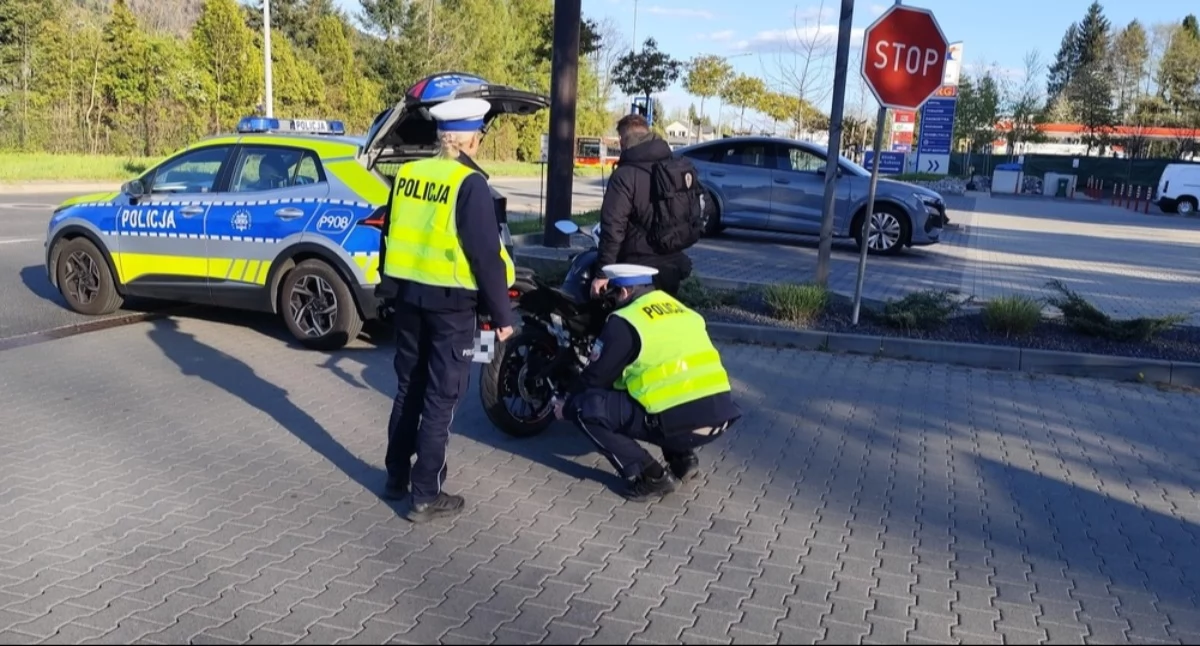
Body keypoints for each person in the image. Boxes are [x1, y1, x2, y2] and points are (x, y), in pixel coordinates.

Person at [376, 97, 516, 523]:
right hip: (452, 307)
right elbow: (485, 256)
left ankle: (396, 477)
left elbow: (389, 235)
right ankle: (425, 494)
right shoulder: (469, 184)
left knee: (408, 388)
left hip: (409, 299)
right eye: (480, 137)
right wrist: (502, 317)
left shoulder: (408, 174)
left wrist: (390, 288)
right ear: (469, 141)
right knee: (440, 398)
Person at [557, 264, 741, 501]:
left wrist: (567, 404)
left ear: (624, 292)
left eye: (612, 295)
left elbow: (596, 378)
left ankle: (652, 476)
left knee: (584, 409)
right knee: (665, 396)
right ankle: (683, 460)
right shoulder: (680, 309)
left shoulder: (626, 320)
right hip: (719, 415)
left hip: (680, 423)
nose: (610, 302)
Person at [590, 114, 699, 299]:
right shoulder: (674, 168)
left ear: (622, 140)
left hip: (636, 270)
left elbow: (613, 228)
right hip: (673, 263)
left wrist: (602, 274)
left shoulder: (625, 175)